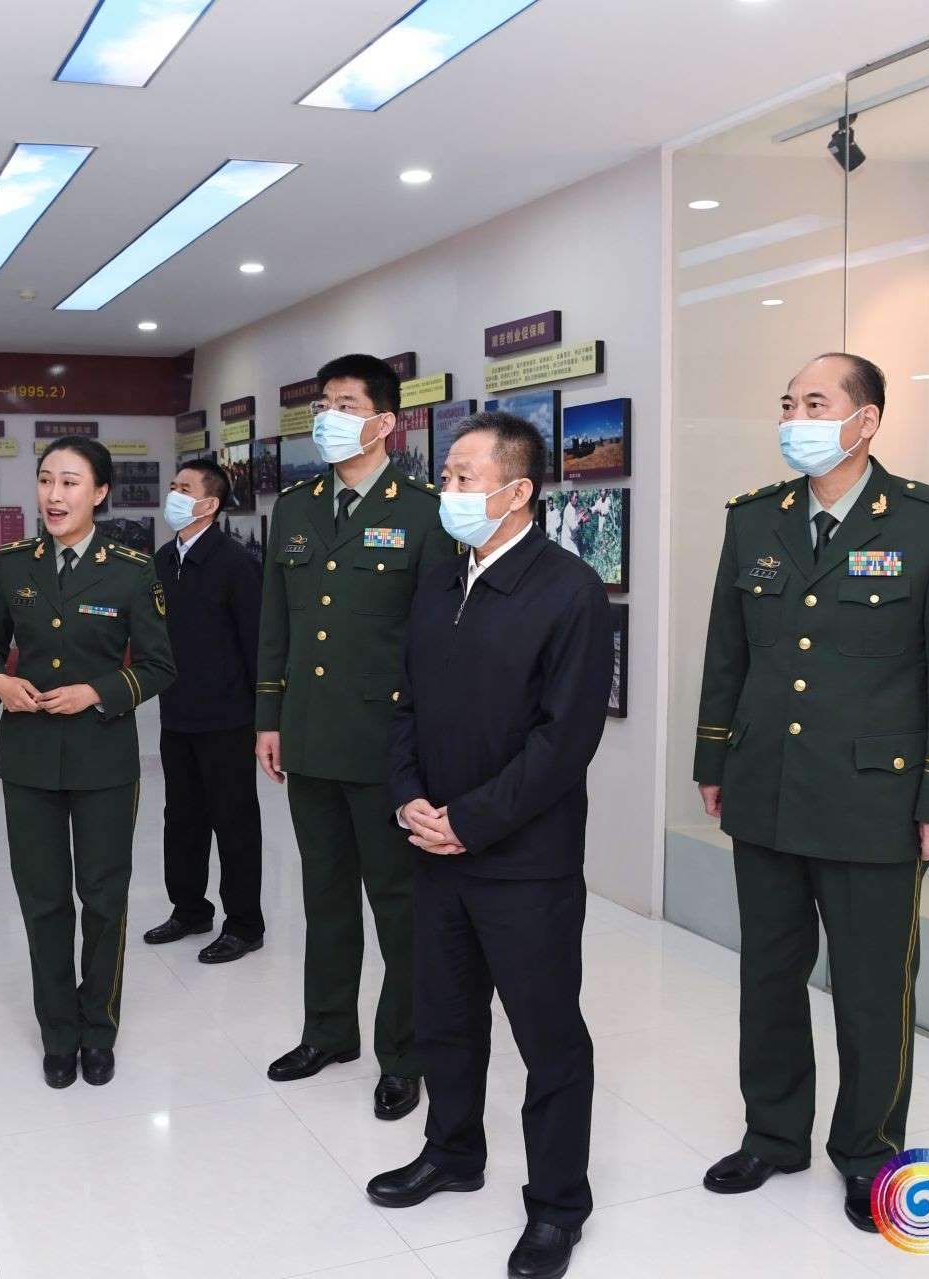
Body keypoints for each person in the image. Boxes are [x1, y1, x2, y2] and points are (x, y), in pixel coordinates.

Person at [693, 353, 929, 1231]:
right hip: (766, 788)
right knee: (768, 975)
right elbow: (727, 651)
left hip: (876, 801)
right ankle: (773, 1133)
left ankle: (868, 1152)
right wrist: (714, 760)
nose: (795, 419)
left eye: (815, 403)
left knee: (871, 989)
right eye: (788, 403)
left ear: (866, 421)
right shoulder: (755, 519)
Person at [365, 412, 613, 1279]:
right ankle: (452, 1150)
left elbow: (563, 740)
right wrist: (408, 798)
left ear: (518, 491)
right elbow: (405, 705)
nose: (449, 491)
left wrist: (468, 819)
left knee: (548, 1038)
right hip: (433, 849)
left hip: (524, 862)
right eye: (447, 476)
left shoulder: (570, 591)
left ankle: (557, 1205)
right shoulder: (441, 580)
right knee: (446, 1018)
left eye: (465, 478)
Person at [256, 353, 457, 1121]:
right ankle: (328, 1031)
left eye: (345, 404)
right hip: (309, 734)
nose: (328, 418)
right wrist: (268, 718)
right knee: (325, 895)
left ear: (385, 422)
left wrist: (427, 748)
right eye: (323, 404)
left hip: (386, 743)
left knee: (398, 907)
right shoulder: (296, 508)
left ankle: (403, 1054)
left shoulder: (425, 511)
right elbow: (277, 622)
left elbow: (438, 640)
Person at [0, 436, 177, 1090]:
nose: (54, 496)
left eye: (70, 483)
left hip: (103, 757)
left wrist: (97, 692)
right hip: (28, 758)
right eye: (46, 481)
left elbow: (159, 665)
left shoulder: (131, 570)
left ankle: (99, 1028)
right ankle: (58, 1032)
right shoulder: (14, 565)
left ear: (100, 492)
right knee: (44, 900)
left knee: (104, 899)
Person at [144, 457, 265, 963]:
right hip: (177, 715)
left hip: (228, 720)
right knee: (182, 819)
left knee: (234, 823)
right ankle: (190, 909)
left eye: (185, 488)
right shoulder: (160, 562)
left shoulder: (236, 565)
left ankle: (244, 924)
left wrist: (265, 720)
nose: (173, 495)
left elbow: (257, 647)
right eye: (173, 486)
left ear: (209, 504)